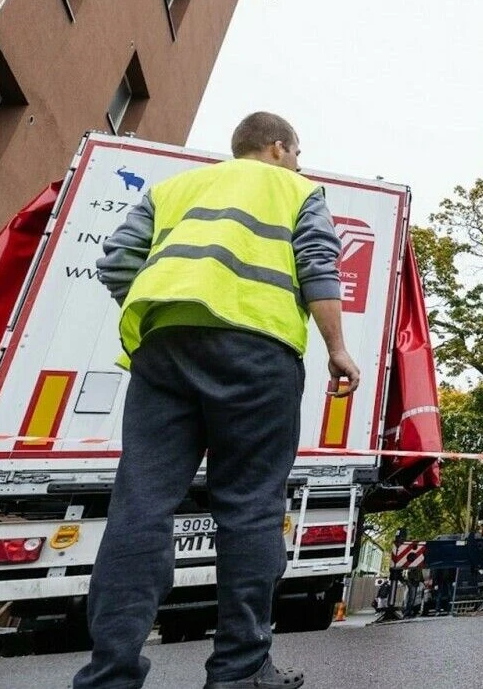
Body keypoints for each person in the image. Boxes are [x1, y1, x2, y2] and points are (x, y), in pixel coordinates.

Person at [74, 113, 360, 689]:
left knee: (140, 506)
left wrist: (162, 304)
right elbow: (317, 269)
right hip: (257, 353)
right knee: (250, 507)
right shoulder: (299, 190)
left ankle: (110, 675)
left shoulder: (172, 190)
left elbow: (116, 261)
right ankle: (239, 670)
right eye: (297, 150)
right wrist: (337, 349)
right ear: (278, 148)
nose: (300, 162)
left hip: (164, 350)